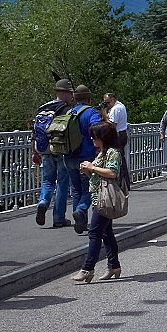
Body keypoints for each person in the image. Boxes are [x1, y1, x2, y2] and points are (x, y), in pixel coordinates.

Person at [71, 121, 123, 283]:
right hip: (98, 196)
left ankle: (87, 269)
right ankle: (114, 265)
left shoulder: (113, 152)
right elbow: (98, 176)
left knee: (94, 233)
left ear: (104, 137)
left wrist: (92, 168)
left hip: (105, 199)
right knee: (107, 234)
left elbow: (112, 172)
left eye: (95, 136)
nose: (92, 139)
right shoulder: (102, 152)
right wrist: (88, 170)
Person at [33, 78, 77, 228]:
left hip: (44, 149)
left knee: (47, 181)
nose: (71, 96)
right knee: (62, 184)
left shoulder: (43, 108)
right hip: (60, 149)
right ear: (64, 93)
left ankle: (43, 202)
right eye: (70, 93)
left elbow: (35, 132)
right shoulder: (65, 109)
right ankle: (59, 218)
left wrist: (34, 151)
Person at [67, 84, 102, 234]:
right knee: (91, 188)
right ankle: (81, 210)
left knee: (76, 190)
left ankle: (80, 223)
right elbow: (97, 130)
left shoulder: (69, 112)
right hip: (86, 156)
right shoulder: (91, 112)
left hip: (68, 155)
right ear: (88, 98)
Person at [103, 93, 130, 188]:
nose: (107, 105)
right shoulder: (121, 106)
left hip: (118, 135)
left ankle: (123, 183)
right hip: (122, 133)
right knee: (121, 158)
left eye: (108, 102)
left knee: (118, 158)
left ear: (113, 99)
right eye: (105, 103)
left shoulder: (116, 109)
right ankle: (125, 182)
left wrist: (105, 116)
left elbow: (112, 124)